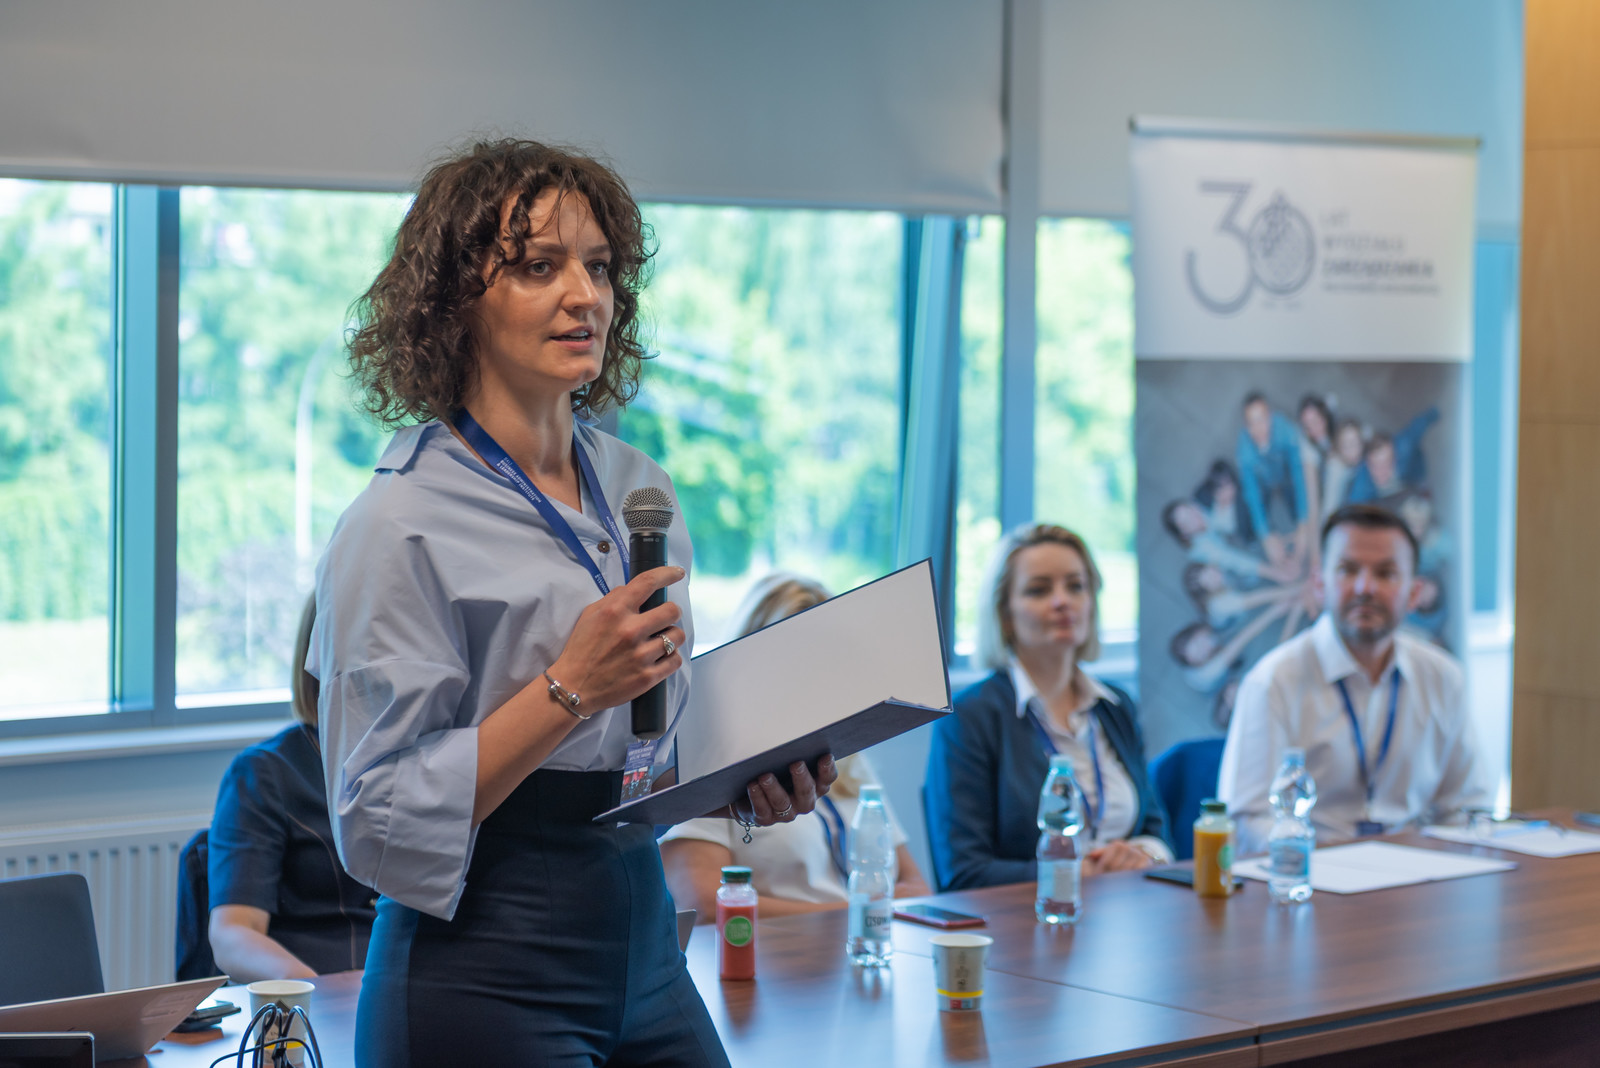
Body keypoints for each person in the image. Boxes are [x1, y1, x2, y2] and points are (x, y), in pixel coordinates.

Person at [309, 139, 834, 1067]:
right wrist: (568, 688)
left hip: (643, 939)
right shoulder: (398, 522)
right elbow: (375, 815)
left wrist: (748, 783)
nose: (584, 295)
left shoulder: (639, 486)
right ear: (454, 299)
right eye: (538, 267)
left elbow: (645, 751)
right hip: (483, 960)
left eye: (599, 267)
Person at [1217, 504, 1492, 853]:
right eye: (1348, 570)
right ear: (1319, 584)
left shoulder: (1443, 678)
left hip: (1416, 870)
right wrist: (1312, 861)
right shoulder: (1273, 682)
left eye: (1386, 573)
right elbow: (1247, 820)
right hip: (1312, 871)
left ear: (1414, 593)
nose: (1365, 588)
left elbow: (1468, 807)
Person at [660, 573, 929, 920]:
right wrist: (857, 913)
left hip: (860, 943)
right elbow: (703, 903)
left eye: (827, 660)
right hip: (777, 949)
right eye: (795, 659)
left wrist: (860, 915)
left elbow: (916, 887)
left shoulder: (849, 760)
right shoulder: (713, 759)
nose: (814, 676)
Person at [924, 524, 1171, 891]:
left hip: (1127, 907)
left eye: (1076, 586)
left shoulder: (1115, 706)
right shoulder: (969, 718)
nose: (1062, 601)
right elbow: (962, 873)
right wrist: (1071, 873)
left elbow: (1155, 830)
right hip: (1028, 916)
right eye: (1039, 590)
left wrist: (1145, 856)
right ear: (1005, 614)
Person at [207, 596, 376, 984]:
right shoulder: (265, 772)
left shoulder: (427, 758)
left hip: (413, 986)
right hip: (316, 991)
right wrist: (315, 992)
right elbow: (233, 932)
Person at [1236, 391, 1311, 567]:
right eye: (1252, 422)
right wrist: (1265, 535)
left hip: (1285, 476)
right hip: (1264, 483)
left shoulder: (1286, 431)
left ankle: (1299, 523)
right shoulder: (1244, 452)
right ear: (1246, 426)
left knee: (1296, 502)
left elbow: (1298, 475)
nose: (1259, 428)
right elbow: (1252, 494)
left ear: (1271, 416)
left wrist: (1303, 522)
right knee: (1256, 506)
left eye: (1262, 419)